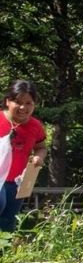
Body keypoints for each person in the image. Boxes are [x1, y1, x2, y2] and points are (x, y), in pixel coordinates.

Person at [0, 80, 47, 232]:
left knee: (8, 224)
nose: (23, 107)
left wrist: (39, 157)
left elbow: (41, 147)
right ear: (8, 101)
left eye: (28, 103)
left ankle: (4, 254)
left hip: (16, 183)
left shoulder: (35, 126)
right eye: (18, 102)